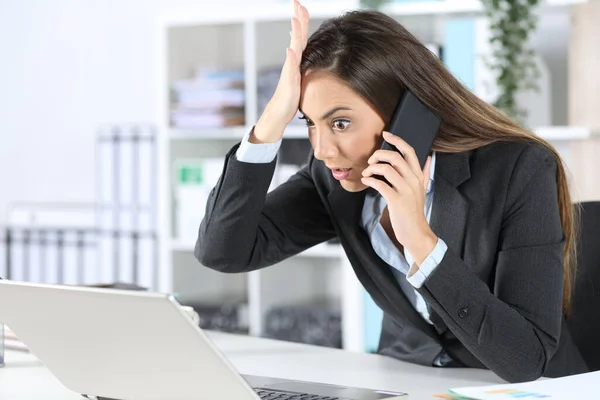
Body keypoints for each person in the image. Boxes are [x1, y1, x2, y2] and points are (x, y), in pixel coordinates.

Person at [194, 1, 589, 383]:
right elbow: (223, 251)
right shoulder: (335, 177)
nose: (322, 149)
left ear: (406, 112)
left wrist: (420, 240)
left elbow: (526, 360)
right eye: (309, 122)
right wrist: (270, 120)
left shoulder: (519, 168)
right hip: (408, 381)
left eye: (341, 123)